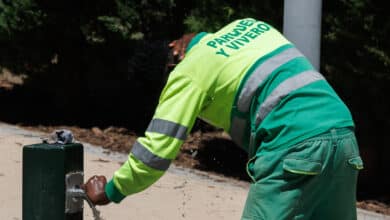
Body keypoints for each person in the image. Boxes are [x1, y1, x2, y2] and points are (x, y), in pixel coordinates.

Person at [82, 18, 363, 219]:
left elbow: (155, 154)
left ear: (169, 68)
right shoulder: (249, 25)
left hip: (293, 143)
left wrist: (110, 190)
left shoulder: (186, 72)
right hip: (343, 134)